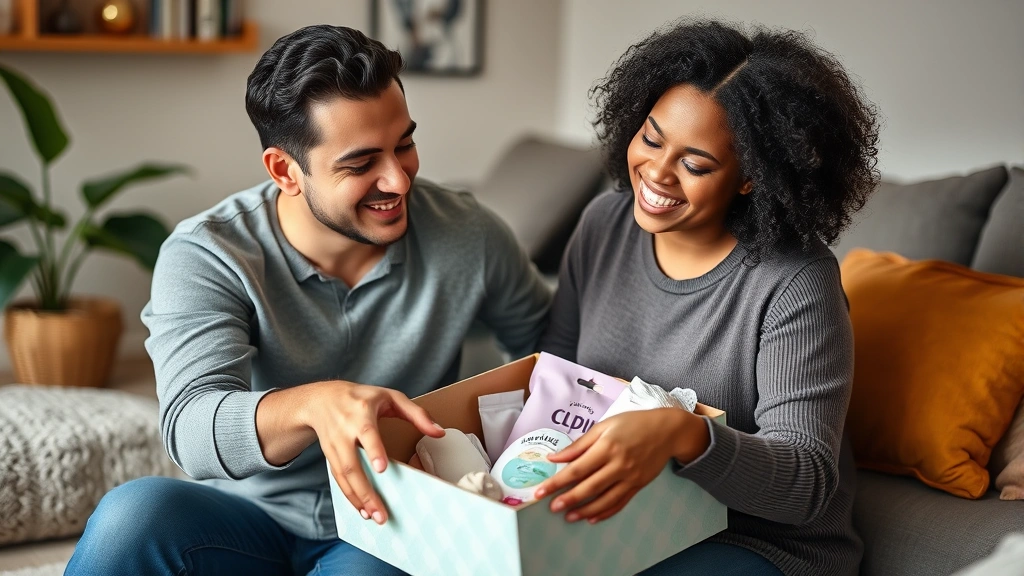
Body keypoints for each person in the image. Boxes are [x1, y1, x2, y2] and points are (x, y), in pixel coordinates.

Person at [65, 25, 550, 576]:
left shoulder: (469, 234)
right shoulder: (209, 254)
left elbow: (555, 352)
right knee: (132, 516)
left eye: (405, 145)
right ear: (285, 171)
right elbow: (190, 428)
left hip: (389, 521)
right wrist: (313, 405)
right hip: (247, 515)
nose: (398, 179)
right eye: (361, 163)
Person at [534, 20, 879, 576]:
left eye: (695, 165)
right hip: (627, 522)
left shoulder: (795, 282)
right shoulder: (603, 224)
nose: (657, 174)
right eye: (650, 138)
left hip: (755, 544)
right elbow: (555, 375)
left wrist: (683, 431)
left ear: (750, 177)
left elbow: (806, 481)